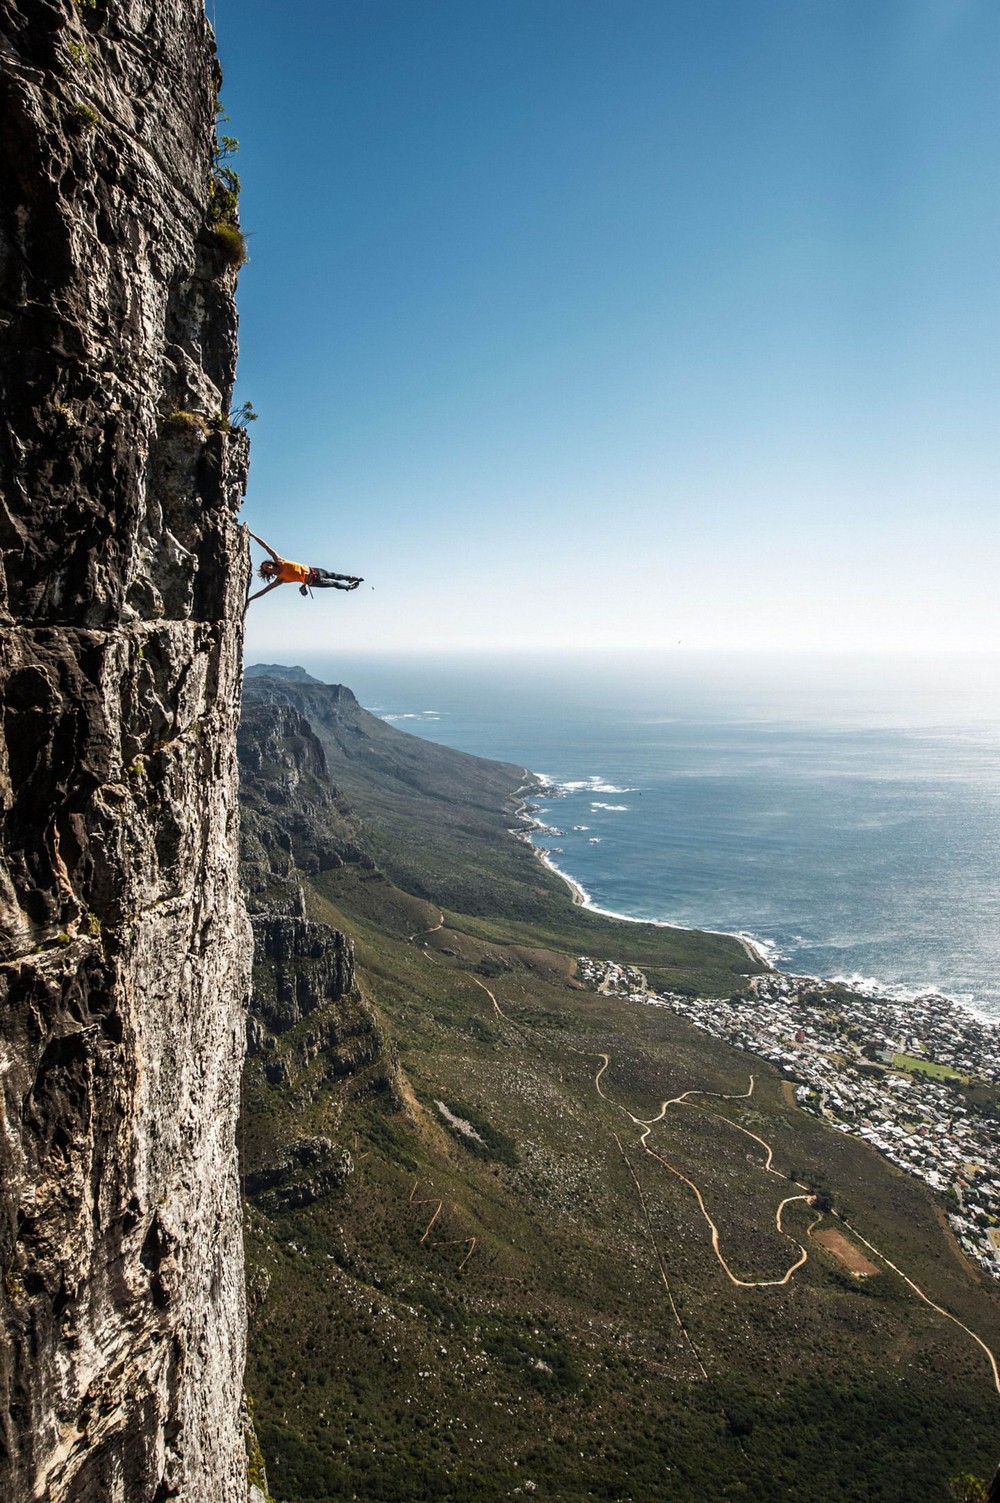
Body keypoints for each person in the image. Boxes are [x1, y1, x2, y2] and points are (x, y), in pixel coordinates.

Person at [246, 530, 363, 603]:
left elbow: (266, 547)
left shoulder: (280, 561)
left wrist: (252, 535)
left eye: (268, 565)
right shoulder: (280, 579)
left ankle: (350, 578)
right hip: (313, 581)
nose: (269, 568)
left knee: (334, 575)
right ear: (268, 573)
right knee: (333, 584)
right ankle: (348, 588)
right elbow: (265, 591)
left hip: (313, 570)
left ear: (272, 564)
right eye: (267, 569)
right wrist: (250, 600)